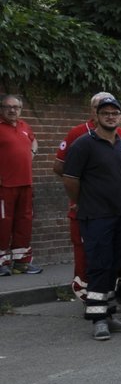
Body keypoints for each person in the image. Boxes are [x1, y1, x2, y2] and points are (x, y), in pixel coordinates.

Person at [60, 95, 121, 340]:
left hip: (120, 215)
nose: (110, 116)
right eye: (105, 113)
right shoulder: (83, 144)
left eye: (115, 113)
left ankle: (110, 314)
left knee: (114, 266)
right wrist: (83, 203)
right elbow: (70, 180)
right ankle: (98, 319)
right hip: (95, 216)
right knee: (99, 266)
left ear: (120, 117)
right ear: (95, 117)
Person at [0, 95, 41, 274]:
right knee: (3, 224)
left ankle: (21, 262)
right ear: (1, 109)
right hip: (4, 185)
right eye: (8, 107)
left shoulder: (25, 126)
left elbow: (34, 140)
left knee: (24, 222)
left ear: (20, 109)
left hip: (26, 184)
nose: (12, 110)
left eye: (16, 107)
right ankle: (1, 263)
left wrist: (31, 151)